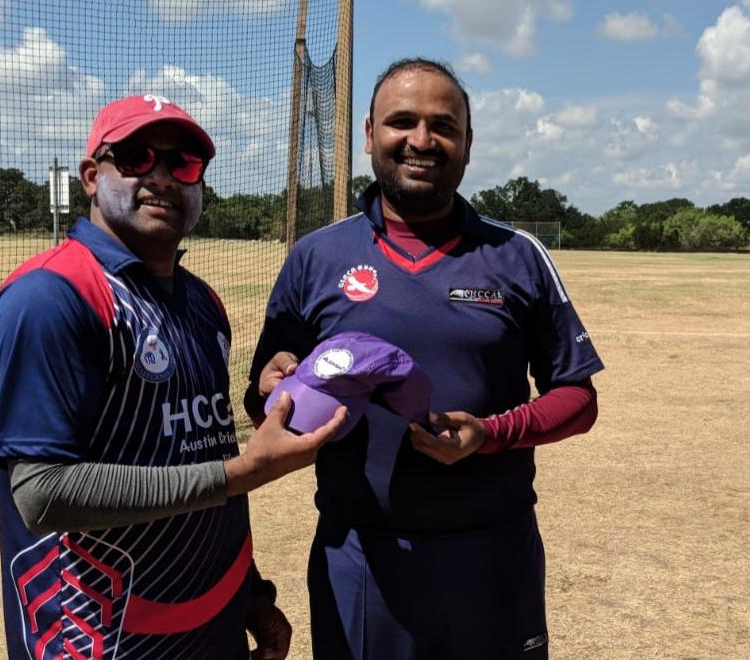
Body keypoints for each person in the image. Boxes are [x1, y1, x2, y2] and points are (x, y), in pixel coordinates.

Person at [245, 58, 604, 659]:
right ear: (368, 135)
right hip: (359, 556)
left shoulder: (517, 256)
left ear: (468, 142)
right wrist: (275, 390)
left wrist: (489, 434)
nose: (421, 140)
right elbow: (264, 405)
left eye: (443, 125)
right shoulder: (315, 258)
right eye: (401, 121)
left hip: (494, 553)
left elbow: (578, 398)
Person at [0, 94, 345, 660]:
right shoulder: (52, 296)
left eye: (184, 163)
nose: (161, 175)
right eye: (134, 156)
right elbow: (42, 493)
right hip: (103, 634)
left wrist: (250, 595)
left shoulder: (202, 303)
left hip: (210, 619)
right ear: (89, 176)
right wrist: (245, 471)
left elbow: (197, 447)